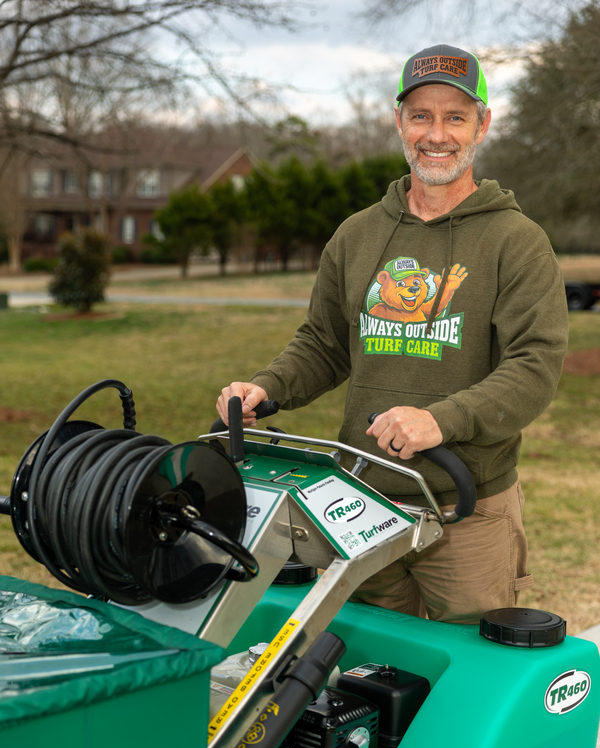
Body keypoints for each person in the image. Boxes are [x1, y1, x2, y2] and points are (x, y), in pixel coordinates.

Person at [217, 44, 568, 624]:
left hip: (468, 508)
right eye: (421, 116)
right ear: (399, 121)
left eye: (455, 117)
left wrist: (441, 420)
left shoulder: (517, 241)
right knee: (367, 667)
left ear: (482, 125)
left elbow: (534, 367)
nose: (437, 134)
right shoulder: (356, 235)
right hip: (361, 505)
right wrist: (266, 387)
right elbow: (325, 343)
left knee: (468, 668)